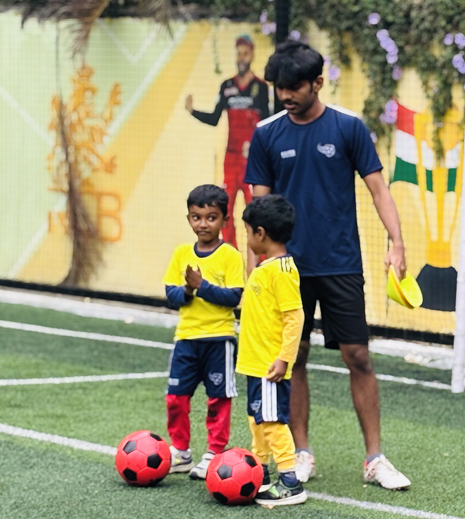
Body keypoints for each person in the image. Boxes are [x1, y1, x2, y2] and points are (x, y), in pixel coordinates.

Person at [244, 39, 410, 490]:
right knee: (292, 358)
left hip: (340, 263)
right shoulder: (267, 134)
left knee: (358, 356)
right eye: (279, 88)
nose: (285, 95)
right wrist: (253, 272)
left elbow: (379, 190)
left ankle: (374, 458)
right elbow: (258, 213)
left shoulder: (348, 127)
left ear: (318, 82)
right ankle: (301, 453)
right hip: (285, 271)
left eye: (294, 87)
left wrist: (397, 243)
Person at [162, 185, 245, 479]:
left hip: (219, 340)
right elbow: (171, 296)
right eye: (197, 217)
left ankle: (214, 452)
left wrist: (201, 286)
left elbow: (234, 297)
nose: (203, 224)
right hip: (186, 339)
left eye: (211, 217)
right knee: (175, 398)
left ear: (224, 220)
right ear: (189, 218)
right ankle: (181, 452)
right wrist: (187, 290)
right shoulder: (181, 254)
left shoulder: (230, 255)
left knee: (218, 399)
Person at [236, 195, 307, 507]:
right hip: (255, 364)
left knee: (273, 422)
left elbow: (295, 317)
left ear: (260, 233)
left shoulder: (282, 270)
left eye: (248, 232)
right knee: (257, 420)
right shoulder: (266, 267)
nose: (248, 239)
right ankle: (259, 472)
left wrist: (283, 359)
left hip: (269, 366)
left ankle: (290, 482)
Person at [186, 35, 269, 249]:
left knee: (255, 211)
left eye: (245, 53)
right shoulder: (227, 86)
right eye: (238, 53)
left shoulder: (260, 87)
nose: (241, 58)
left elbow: (267, 124)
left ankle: (259, 259)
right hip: (231, 158)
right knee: (226, 209)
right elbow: (215, 118)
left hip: (252, 159)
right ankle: (231, 255)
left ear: (252, 55)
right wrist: (193, 111)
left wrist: (258, 148)